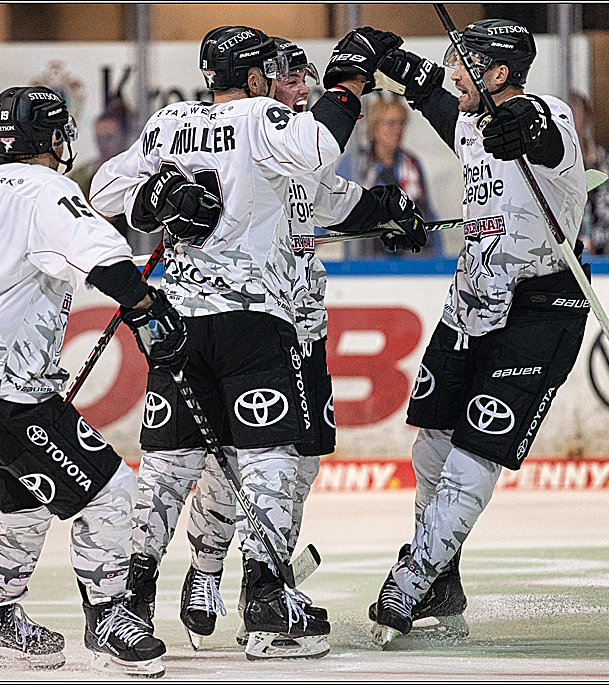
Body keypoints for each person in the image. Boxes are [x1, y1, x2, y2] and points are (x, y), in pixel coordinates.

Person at [88, 25, 412, 660]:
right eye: (275, 70)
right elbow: (320, 145)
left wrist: (158, 196)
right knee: (269, 452)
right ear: (256, 75)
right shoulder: (266, 120)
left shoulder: (169, 124)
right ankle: (265, 596)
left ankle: (130, 601)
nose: (287, 82)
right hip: (252, 321)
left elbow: (103, 190)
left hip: (179, 323)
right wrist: (349, 83)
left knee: (167, 462)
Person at [0, 85, 187, 676]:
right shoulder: (47, 190)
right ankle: (111, 617)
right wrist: (147, 307)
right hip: (6, 387)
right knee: (113, 492)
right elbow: (99, 257)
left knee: (23, 508)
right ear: (51, 137)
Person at [176, 36, 427, 651]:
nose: (301, 88)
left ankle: (268, 580)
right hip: (245, 326)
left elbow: (339, 202)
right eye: (290, 78)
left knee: (300, 461)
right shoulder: (255, 141)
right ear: (263, 83)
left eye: (306, 78)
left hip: (301, 330)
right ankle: (210, 570)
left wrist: (391, 211)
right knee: (232, 459)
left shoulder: (298, 154)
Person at [369, 19, 592, 646]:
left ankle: (417, 572)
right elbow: (429, 91)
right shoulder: (469, 113)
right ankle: (444, 572)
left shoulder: (544, 115)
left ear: (497, 73)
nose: (451, 72)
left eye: (462, 63)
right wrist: (386, 55)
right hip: (470, 301)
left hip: (540, 308)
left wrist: (525, 127)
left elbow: (546, 139)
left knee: (478, 447)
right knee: (432, 442)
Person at [336, 97, 441, 257]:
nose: (398, 130)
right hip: (366, 260)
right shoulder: (354, 164)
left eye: (401, 123)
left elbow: (426, 212)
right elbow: (332, 203)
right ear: (374, 128)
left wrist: (437, 258)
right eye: (391, 124)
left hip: (411, 258)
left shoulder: (412, 163)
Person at [569, 92, 609, 255]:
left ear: (588, 117)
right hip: (569, 257)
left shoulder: (605, 160)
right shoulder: (549, 165)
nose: (571, 121)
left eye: (576, 113)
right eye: (565, 114)